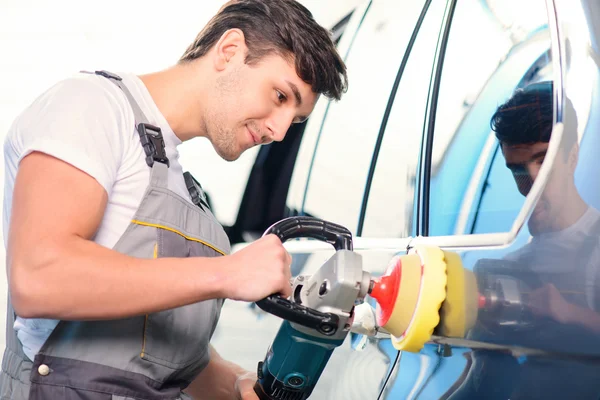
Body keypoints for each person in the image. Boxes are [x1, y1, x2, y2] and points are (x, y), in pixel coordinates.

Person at [0, 1, 348, 399]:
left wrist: (233, 383)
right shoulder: (90, 107)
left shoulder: (184, 189)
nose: (280, 130)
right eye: (281, 96)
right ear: (230, 50)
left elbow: (143, 350)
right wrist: (227, 274)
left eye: (296, 119)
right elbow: (40, 277)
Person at [449, 81, 600, 399]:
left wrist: (569, 313)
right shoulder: (503, 269)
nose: (532, 182)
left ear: (571, 158)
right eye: (518, 170)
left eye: (542, 161)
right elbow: (476, 380)